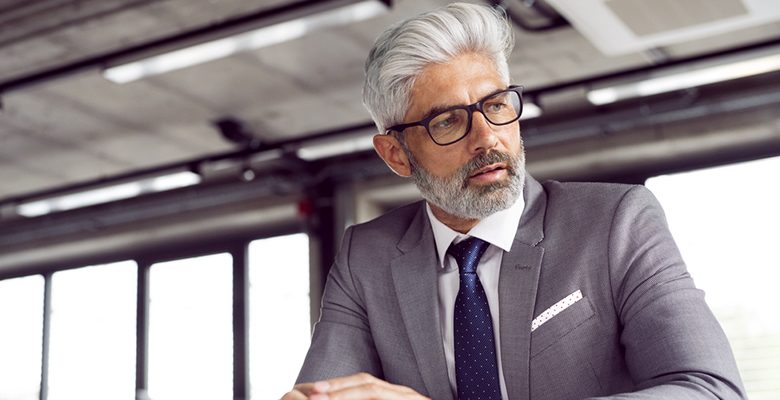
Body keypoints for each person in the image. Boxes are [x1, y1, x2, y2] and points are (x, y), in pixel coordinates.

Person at [283, 3, 746, 399]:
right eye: (447, 122)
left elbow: (709, 388)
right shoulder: (367, 257)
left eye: (497, 105)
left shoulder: (617, 223)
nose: (488, 138)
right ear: (397, 154)